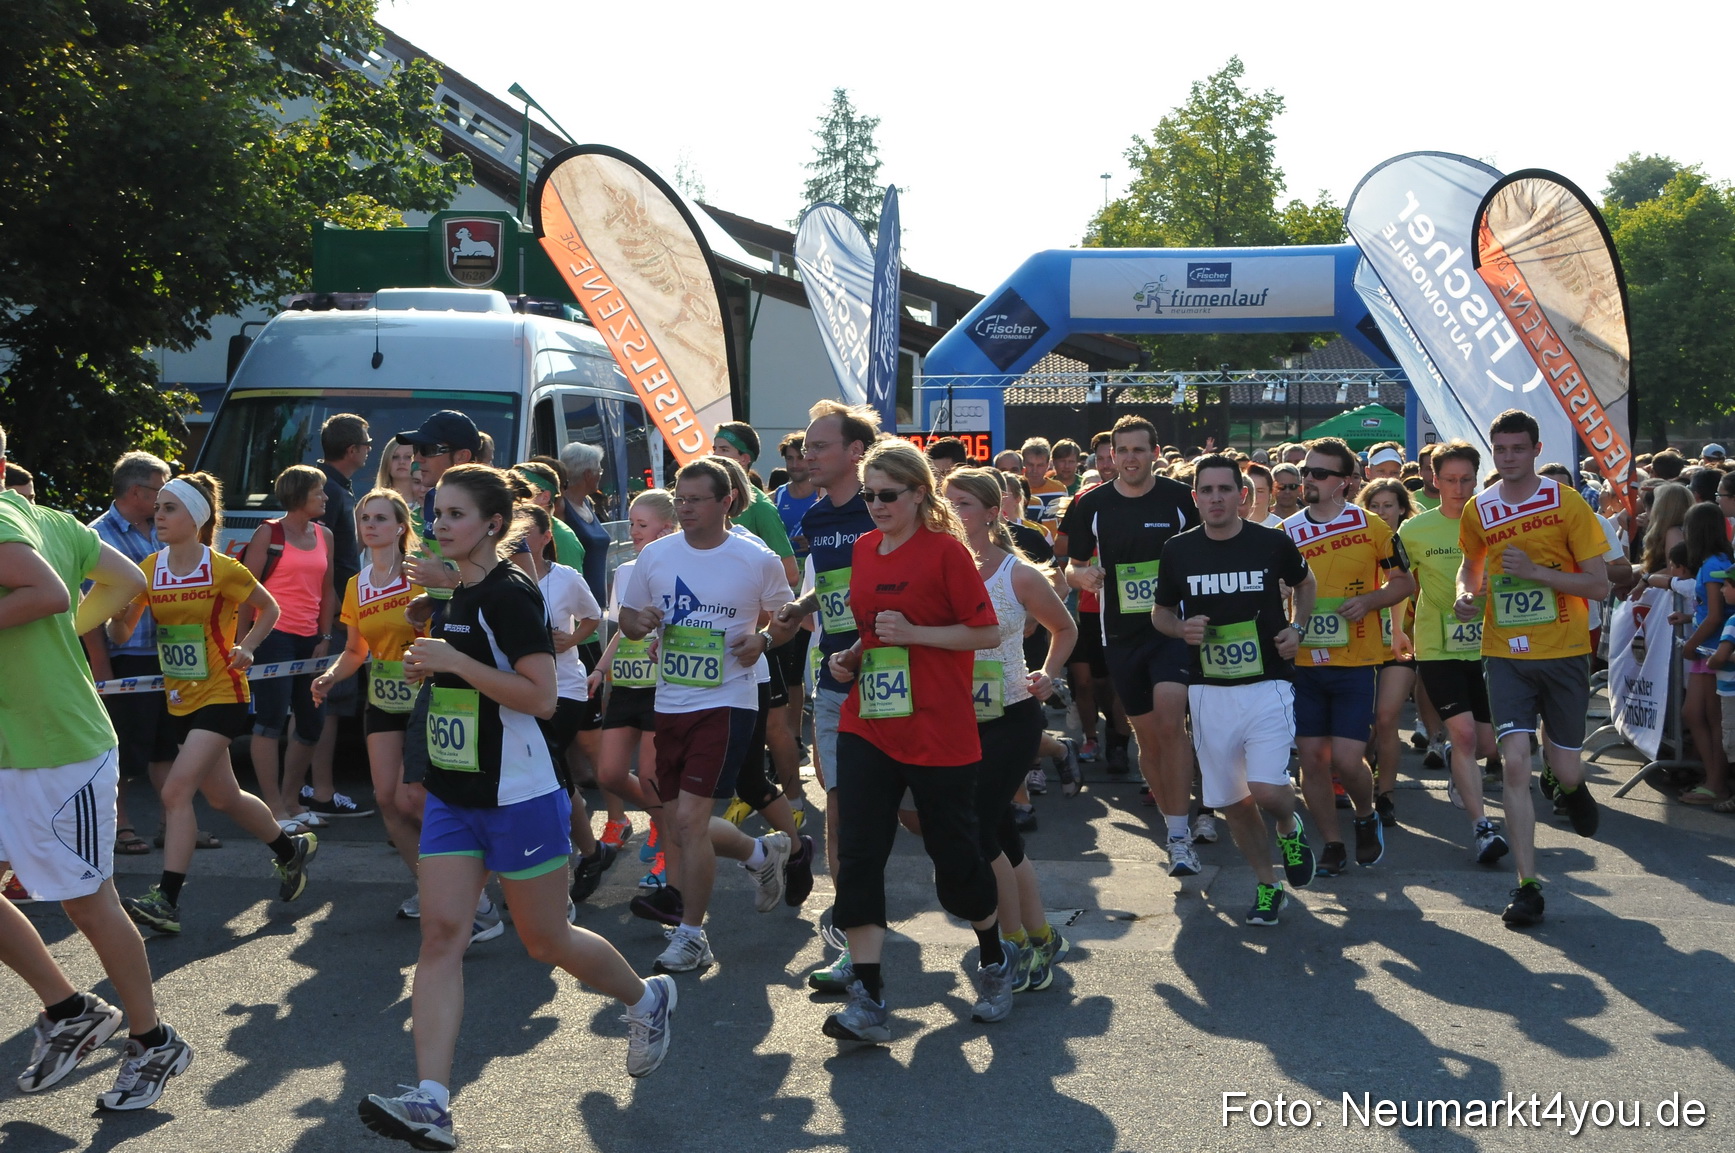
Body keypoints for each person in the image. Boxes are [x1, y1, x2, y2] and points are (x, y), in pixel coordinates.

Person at [358, 465, 674, 1150]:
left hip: (519, 791)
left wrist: (455, 662)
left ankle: (646, 999)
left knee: (545, 939)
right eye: (435, 511)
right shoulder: (459, 590)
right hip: (454, 787)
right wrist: (433, 664)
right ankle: (433, 1101)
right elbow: (468, 673)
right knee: (442, 934)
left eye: (455, 514)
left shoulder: (508, 593)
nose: (438, 523)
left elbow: (537, 697)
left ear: (494, 524)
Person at [0, 424, 194, 1110]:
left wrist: (60, 626)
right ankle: (69, 1009)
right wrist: (72, 631)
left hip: (58, 749)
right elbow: (124, 578)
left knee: (87, 899)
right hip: (11, 743)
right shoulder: (48, 516)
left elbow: (49, 593)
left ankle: (153, 1039)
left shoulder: (3, 517)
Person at [822, 439, 1011, 1043]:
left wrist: (920, 633)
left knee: (954, 862)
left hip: (937, 726)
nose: (875, 505)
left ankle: (993, 955)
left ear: (919, 493)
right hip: (870, 720)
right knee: (859, 852)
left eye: (888, 495)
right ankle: (869, 996)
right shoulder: (862, 549)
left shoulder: (946, 553)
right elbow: (875, 631)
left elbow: (986, 632)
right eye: (869, 494)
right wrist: (850, 657)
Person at [110, 473, 319, 934]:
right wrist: (115, 614)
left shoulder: (222, 568)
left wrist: (247, 646)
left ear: (196, 519)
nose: (158, 516)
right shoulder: (149, 569)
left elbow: (270, 609)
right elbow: (122, 633)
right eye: (157, 508)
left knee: (175, 791)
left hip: (223, 693)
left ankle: (167, 900)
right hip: (179, 698)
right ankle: (290, 850)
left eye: (169, 509)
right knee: (223, 797)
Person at [618, 458, 796, 974]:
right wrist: (640, 621)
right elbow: (628, 621)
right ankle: (762, 855)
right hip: (670, 699)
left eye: (696, 499)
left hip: (727, 700)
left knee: (692, 822)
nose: (685, 507)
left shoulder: (753, 558)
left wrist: (763, 639)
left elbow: (784, 618)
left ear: (727, 503)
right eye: (680, 498)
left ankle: (693, 935)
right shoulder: (656, 555)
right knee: (677, 824)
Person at [1454, 409, 1610, 928]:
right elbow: (1470, 565)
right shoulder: (1480, 508)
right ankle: (1527, 886)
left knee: (1563, 765)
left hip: (1564, 650)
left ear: (1537, 451)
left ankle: (1571, 785)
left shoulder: (1567, 504)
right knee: (1515, 763)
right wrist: (1464, 595)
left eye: (1518, 449)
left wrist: (1538, 573)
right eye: (1500, 450)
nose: (1508, 458)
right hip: (1505, 653)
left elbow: (1599, 585)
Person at [1151, 455, 1318, 925]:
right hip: (1209, 690)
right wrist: (1181, 628)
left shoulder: (1271, 542)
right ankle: (1269, 886)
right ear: (1196, 497)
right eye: (1207, 490)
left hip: (1268, 682)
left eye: (1225, 489)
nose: (1216, 498)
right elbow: (1160, 614)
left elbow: (1307, 584)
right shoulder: (1178, 550)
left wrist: (1298, 629)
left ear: (1242, 496)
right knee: (1231, 802)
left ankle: (1288, 823)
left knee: (1266, 789)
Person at [946, 467, 1078, 987]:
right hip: (957, 720)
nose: (954, 513)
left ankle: (1015, 944)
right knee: (997, 832)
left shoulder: (1017, 574)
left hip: (1011, 715)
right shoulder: (943, 567)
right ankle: (1042, 938)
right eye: (947, 502)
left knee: (979, 830)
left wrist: (1048, 671)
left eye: (965, 504)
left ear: (993, 512)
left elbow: (1063, 628)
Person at [766, 399, 881, 993]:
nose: (806, 455)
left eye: (819, 446)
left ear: (856, 453)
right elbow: (832, 589)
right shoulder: (813, 519)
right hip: (836, 679)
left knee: (922, 816)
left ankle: (1005, 926)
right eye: (806, 447)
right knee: (838, 803)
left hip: (899, 681)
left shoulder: (886, 507)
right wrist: (796, 609)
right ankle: (849, 927)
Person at [1060, 415, 1203, 875]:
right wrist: (1081, 575)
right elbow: (1071, 566)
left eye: (1138, 450)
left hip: (1172, 632)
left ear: (1155, 453)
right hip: (1119, 634)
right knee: (1146, 736)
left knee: (1170, 720)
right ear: (1111, 456)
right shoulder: (1092, 504)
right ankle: (1172, 820)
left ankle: (1180, 836)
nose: (1129, 459)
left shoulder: (1182, 500)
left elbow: (1210, 548)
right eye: (1122, 451)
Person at [1281, 438, 1415, 876]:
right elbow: (1275, 588)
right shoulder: (1287, 532)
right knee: (1311, 758)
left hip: (1355, 662)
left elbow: (1404, 584)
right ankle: (1333, 843)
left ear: (1345, 482)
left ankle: (1365, 813)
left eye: (1319, 474)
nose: (1309, 480)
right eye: (1306, 472)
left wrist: (1371, 601)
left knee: (1345, 759)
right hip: (1303, 665)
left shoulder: (1373, 526)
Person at [311, 489, 428, 915]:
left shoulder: (420, 575)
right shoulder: (355, 585)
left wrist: (426, 659)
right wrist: (329, 676)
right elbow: (357, 651)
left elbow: (446, 635)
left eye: (381, 518)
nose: (371, 525)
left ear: (401, 527)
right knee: (385, 799)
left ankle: (462, 877)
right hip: (382, 698)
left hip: (425, 697)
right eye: (365, 519)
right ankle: (427, 886)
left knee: (413, 797)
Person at [1397, 441, 1508, 864]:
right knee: (1461, 735)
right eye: (1449, 480)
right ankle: (1482, 829)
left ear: (1477, 478)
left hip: (1489, 641)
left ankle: (1461, 772)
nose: (1458, 488)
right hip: (1436, 641)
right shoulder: (1414, 529)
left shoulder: (1496, 521)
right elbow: (1402, 584)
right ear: (1433, 479)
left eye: (1466, 480)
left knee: (1482, 743)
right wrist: (1396, 631)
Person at [502, 504, 618, 901]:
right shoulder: (501, 580)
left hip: (564, 689)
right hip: (517, 691)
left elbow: (592, 615)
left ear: (546, 536)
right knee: (546, 777)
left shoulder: (564, 578)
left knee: (547, 774)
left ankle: (558, 865)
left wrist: (571, 639)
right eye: (512, 532)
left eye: (526, 532)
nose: (518, 540)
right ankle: (587, 852)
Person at [82, 451, 178, 857]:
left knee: (167, 746)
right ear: (137, 491)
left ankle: (173, 823)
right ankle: (120, 826)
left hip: (172, 655)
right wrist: (101, 665)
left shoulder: (165, 528)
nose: (166, 500)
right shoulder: (96, 536)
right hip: (127, 659)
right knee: (121, 748)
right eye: (161, 490)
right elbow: (84, 608)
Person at [239, 465, 345, 830]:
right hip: (273, 636)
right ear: (300, 495)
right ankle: (274, 809)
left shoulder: (325, 535)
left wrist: (325, 636)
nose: (326, 498)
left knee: (312, 720)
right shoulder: (268, 533)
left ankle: (291, 799)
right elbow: (246, 592)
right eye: (320, 492)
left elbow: (327, 590)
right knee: (269, 720)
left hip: (311, 639)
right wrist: (242, 643)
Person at [591, 489, 678, 858]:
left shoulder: (680, 567)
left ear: (667, 528)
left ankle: (665, 843)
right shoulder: (625, 571)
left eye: (642, 524)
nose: (633, 530)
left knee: (649, 774)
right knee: (608, 773)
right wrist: (599, 669)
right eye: (631, 523)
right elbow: (620, 630)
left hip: (660, 686)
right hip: (625, 684)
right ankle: (659, 819)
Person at [303, 414, 372, 819]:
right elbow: (320, 561)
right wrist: (328, 621)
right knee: (326, 701)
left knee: (323, 701)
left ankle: (311, 789)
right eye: (365, 443)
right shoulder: (326, 490)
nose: (368, 449)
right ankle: (321, 792)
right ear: (352, 451)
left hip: (335, 609)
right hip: (329, 612)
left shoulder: (332, 486)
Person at [1356, 477, 1418, 826]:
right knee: (1362, 725)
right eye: (1374, 506)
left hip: (1402, 642)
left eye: (1388, 505)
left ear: (1401, 508)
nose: (1381, 512)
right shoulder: (1356, 539)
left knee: (1386, 718)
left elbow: (1411, 588)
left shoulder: (1412, 540)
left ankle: (1387, 795)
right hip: (1359, 644)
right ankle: (1361, 780)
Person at [1669, 504, 1732, 805]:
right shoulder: (1718, 559)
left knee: (1707, 717)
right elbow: (1709, 609)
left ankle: (1716, 785)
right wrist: (1689, 621)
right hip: (1709, 646)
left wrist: (1692, 644)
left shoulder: (1711, 564)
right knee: (1698, 715)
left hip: (1710, 649)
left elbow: (1715, 614)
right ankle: (1712, 779)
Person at [1020, 437, 1069, 527]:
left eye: (1040, 465)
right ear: (1023, 464)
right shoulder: (1017, 491)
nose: (1034, 470)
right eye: (1030, 464)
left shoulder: (1060, 490)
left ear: (1047, 465)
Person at [377, 435, 421, 506]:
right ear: (386, 462)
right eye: (395, 457)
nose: (401, 462)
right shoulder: (373, 503)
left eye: (408, 457)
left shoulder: (431, 503)